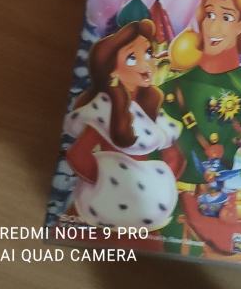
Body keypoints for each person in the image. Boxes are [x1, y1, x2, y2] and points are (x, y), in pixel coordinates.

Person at [157, 0, 241, 255]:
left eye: (226, 17)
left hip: (214, 207)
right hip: (163, 200)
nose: (213, 26)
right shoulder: (173, 87)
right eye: (209, 15)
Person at [64, 19, 181, 231]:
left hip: (148, 206)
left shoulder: (152, 107)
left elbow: (174, 156)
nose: (146, 63)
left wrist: (159, 185)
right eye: (132, 57)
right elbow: (78, 155)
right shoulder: (105, 109)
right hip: (105, 204)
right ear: (113, 71)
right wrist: (107, 182)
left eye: (148, 53)